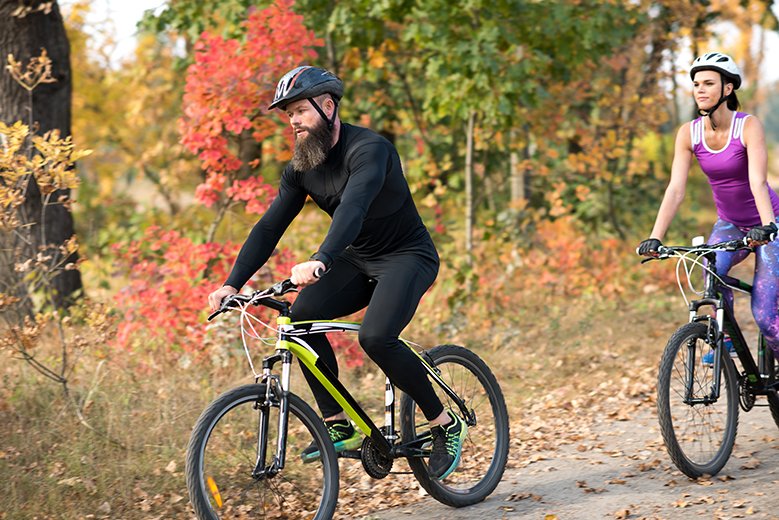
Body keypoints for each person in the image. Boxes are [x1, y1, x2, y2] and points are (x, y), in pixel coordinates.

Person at [207, 65, 466, 480]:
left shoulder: (370, 150)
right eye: (287, 115)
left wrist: (322, 257)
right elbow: (269, 227)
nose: (293, 122)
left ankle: (443, 423)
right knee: (298, 322)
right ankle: (338, 424)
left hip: (406, 255)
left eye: (299, 111)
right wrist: (231, 283)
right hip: (356, 258)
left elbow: (354, 207)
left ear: (327, 107)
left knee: (376, 337)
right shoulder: (301, 168)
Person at [637, 52, 779, 364]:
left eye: (708, 83)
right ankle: (724, 338)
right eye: (696, 84)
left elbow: (758, 182)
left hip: (770, 223)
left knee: (766, 316)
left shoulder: (748, 127)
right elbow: (676, 188)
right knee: (711, 271)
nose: (700, 89)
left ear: (728, 89)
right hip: (730, 223)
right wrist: (655, 237)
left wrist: (768, 227)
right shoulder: (689, 133)